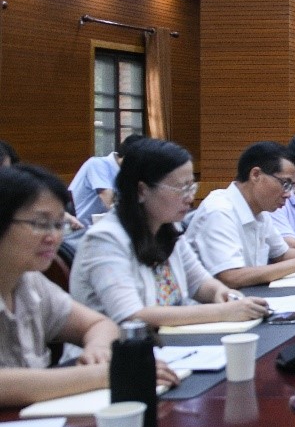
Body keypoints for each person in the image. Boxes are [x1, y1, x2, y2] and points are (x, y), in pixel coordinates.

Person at [0, 164, 177, 407]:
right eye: (40, 223)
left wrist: (99, 349)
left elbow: (98, 324)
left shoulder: (29, 281)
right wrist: (108, 373)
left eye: (58, 224)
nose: (53, 237)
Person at [70, 138, 272, 326]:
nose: (190, 198)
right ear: (141, 190)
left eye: (191, 187)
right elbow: (131, 315)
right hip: (119, 349)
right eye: (181, 189)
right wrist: (223, 312)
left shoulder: (167, 228)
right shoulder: (105, 239)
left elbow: (200, 282)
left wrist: (224, 294)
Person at [184, 142, 295, 289]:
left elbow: (283, 254)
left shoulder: (261, 211)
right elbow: (230, 277)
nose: (288, 194)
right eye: (285, 184)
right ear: (256, 175)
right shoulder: (219, 211)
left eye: (291, 186)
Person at [67, 134, 143, 229]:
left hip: (106, 227)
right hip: (81, 229)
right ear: (128, 158)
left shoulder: (127, 172)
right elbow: (111, 204)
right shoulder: (97, 164)